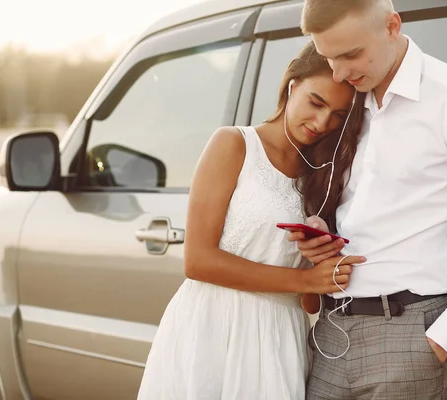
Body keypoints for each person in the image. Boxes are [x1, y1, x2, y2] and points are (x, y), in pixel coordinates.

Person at [289, 1, 447, 399]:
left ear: (392, 26)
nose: (340, 73)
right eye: (329, 58)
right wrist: (323, 233)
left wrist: (441, 341)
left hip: (411, 335)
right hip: (331, 334)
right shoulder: (348, 102)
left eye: (351, 54)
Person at [136, 40, 366, 400]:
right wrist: (304, 277)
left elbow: (309, 303)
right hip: (212, 327)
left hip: (279, 340)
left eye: (338, 115)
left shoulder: (323, 175)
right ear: (293, 86)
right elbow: (197, 261)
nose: (323, 122)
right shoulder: (234, 144)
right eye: (316, 103)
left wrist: (320, 259)